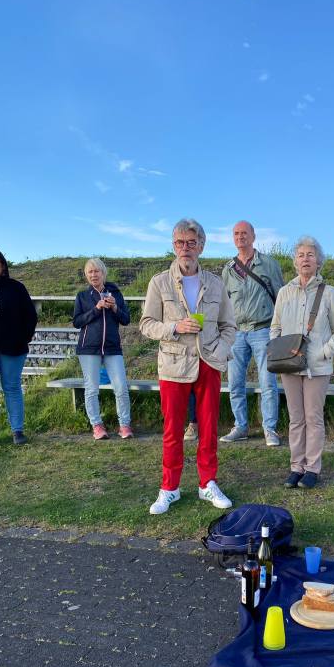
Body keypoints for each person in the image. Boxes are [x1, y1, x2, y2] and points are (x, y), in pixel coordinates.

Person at [140, 218, 237, 514]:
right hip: (173, 365)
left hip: (208, 363)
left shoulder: (216, 284)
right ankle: (169, 488)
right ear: (174, 246)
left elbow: (229, 326)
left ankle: (207, 483)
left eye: (192, 243)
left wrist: (220, 350)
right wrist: (174, 327)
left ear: (201, 247)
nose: (186, 248)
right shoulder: (159, 282)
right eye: (180, 242)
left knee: (208, 428)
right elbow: (146, 324)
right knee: (173, 430)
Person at [270, 236, 334, 488]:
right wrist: (279, 350)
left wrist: (323, 352)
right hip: (289, 366)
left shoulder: (330, 293)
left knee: (313, 418)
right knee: (296, 419)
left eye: (310, 255)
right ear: (295, 261)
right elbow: (275, 327)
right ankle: (296, 466)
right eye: (301, 255)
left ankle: (312, 468)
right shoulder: (284, 292)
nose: (305, 259)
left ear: (318, 262)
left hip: (317, 367)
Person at [220, 221, 284, 446]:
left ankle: (270, 429)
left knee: (268, 383)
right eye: (236, 233)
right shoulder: (228, 269)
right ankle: (240, 426)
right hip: (237, 333)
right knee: (235, 383)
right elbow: (224, 303)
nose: (240, 237)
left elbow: (281, 297)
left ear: (253, 236)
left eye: (244, 233)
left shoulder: (268, 264)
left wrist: (280, 327)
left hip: (262, 330)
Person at [0, 247, 37, 447]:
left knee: (12, 387)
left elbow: (30, 316)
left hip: (13, 348)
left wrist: (23, 339)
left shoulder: (16, 287)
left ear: (2, 264)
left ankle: (17, 431)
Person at [73, 258, 133, 440]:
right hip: (88, 349)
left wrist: (114, 307)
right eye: (90, 272)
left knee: (121, 387)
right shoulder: (82, 296)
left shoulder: (115, 293)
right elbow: (77, 322)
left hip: (112, 348)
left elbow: (126, 319)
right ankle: (97, 426)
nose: (93, 275)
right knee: (92, 389)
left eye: (96, 271)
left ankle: (124, 425)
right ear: (86, 275)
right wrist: (96, 308)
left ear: (103, 273)